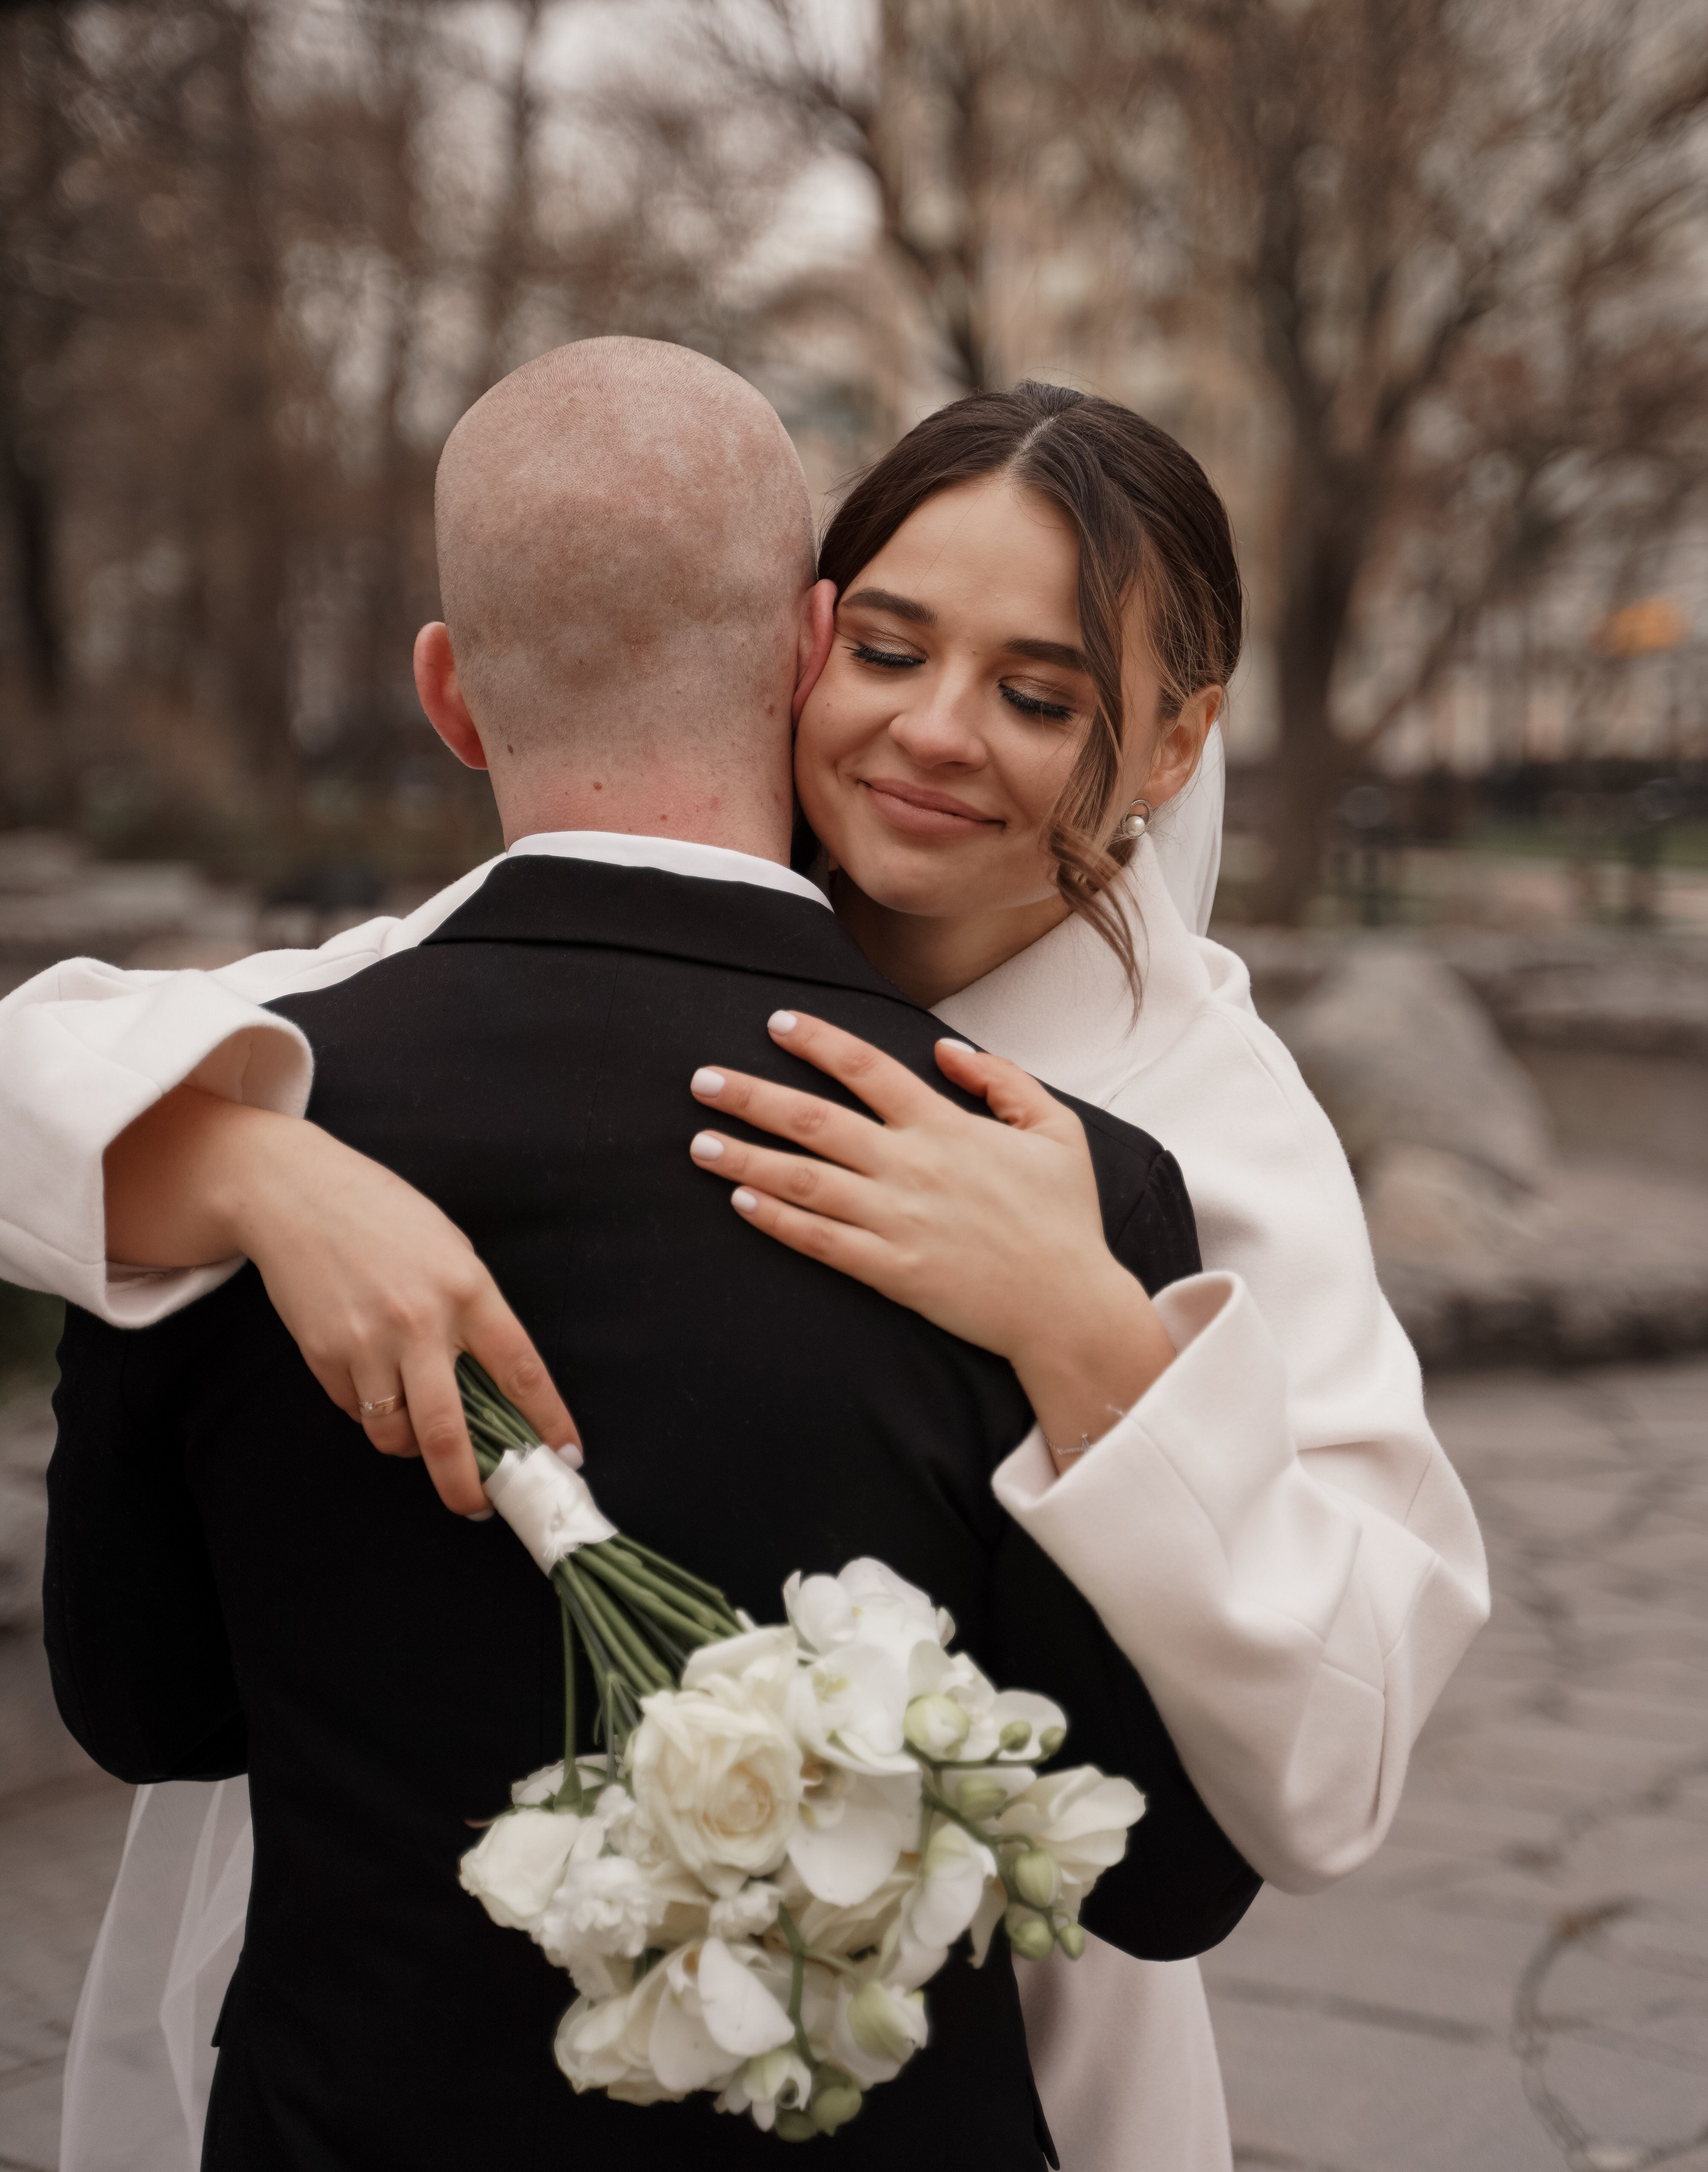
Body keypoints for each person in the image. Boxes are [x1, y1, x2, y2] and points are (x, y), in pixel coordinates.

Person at [7, 358, 1487, 2167]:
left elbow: (1319, 1772)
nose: (938, 730)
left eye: (1038, 692)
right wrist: (246, 1161)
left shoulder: (1198, 1125)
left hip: (947, 2029)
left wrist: (1088, 1323)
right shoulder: (508, 970)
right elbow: (66, 1058)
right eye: (888, 649)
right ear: (798, 645)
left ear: (1173, 746)